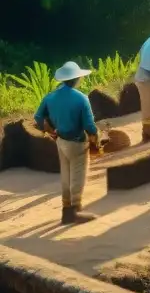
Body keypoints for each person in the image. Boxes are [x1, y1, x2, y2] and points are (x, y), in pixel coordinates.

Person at [34, 62, 102, 224]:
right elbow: (89, 126)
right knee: (78, 176)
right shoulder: (81, 98)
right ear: (77, 78)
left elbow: (38, 117)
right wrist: (96, 139)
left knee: (66, 175)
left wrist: (51, 131)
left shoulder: (50, 97)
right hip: (77, 142)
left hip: (61, 140)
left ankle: (66, 210)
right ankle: (75, 211)